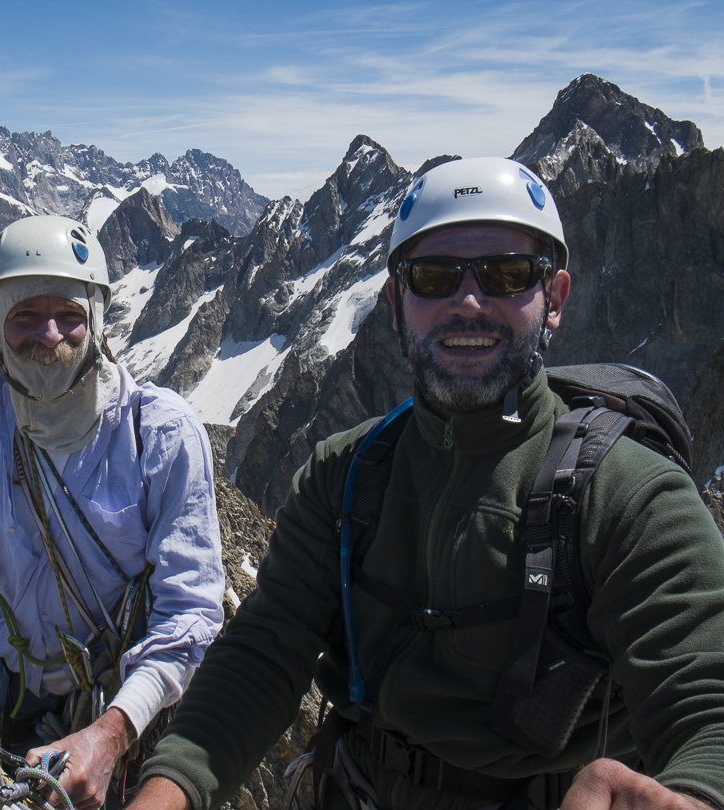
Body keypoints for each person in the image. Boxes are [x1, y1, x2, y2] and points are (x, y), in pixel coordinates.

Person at [126, 157, 724, 810]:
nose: (467, 302)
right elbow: (266, 653)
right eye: (434, 276)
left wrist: (691, 796)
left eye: (506, 274)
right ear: (394, 302)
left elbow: (702, 693)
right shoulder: (343, 474)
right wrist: (168, 791)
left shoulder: (627, 495)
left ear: (552, 299)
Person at [0, 214, 225, 809]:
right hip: (22, 711)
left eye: (69, 315)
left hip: (140, 726)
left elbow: (189, 613)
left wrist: (112, 733)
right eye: (23, 316)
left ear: (97, 318)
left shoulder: (163, 433)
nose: (49, 335)